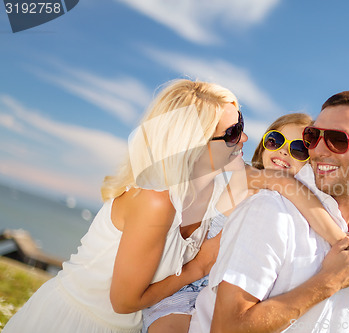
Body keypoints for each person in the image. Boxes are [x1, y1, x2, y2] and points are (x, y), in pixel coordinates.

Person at [3, 79, 249, 333]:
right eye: (232, 133)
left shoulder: (214, 187)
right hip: (74, 324)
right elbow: (124, 302)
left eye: (240, 123)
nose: (244, 137)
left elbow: (265, 182)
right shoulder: (155, 200)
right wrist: (200, 266)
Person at [144, 112, 349, 332]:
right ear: (262, 146)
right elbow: (199, 266)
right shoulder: (248, 177)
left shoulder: (296, 200)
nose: (283, 151)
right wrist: (347, 244)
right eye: (275, 141)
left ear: (310, 163)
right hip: (186, 286)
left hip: (223, 290)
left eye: (298, 149)